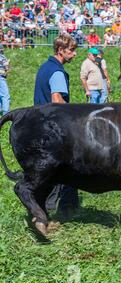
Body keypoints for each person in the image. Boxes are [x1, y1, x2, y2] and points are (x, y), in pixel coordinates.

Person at [33, 33, 79, 213]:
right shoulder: (57, 72)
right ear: (61, 50)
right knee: (69, 168)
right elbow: (57, 100)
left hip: (40, 123)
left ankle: (49, 206)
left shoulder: (44, 67)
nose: (74, 54)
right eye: (72, 50)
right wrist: (76, 115)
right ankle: (67, 207)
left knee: (50, 169)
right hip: (54, 127)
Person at [0, 44, 11, 116]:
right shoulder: (2, 57)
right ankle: (5, 114)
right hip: (1, 78)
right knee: (5, 96)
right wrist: (8, 63)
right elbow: (7, 68)